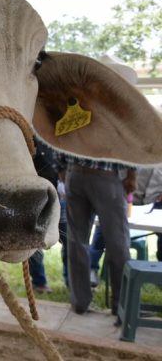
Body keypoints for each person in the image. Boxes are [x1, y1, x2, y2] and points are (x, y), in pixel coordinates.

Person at [59, 55, 138, 316]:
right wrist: (131, 176)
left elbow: (60, 137)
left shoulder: (76, 103)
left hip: (75, 176)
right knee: (117, 242)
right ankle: (120, 305)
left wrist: (64, 171)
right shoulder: (117, 111)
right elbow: (131, 146)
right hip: (104, 178)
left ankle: (80, 302)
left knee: (77, 240)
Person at [29, 139, 61, 294]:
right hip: (35, 197)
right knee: (34, 241)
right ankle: (39, 282)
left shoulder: (55, 139)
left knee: (70, 238)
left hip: (57, 195)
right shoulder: (28, 135)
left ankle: (71, 281)